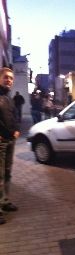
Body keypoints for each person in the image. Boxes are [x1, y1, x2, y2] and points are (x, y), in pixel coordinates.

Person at [0, 67, 20, 225]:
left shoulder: (8, 97)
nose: (9, 80)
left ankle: (5, 201)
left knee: (7, 173)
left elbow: (13, 116)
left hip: (10, 140)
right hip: (0, 142)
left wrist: (16, 130)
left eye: (11, 78)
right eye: (6, 77)